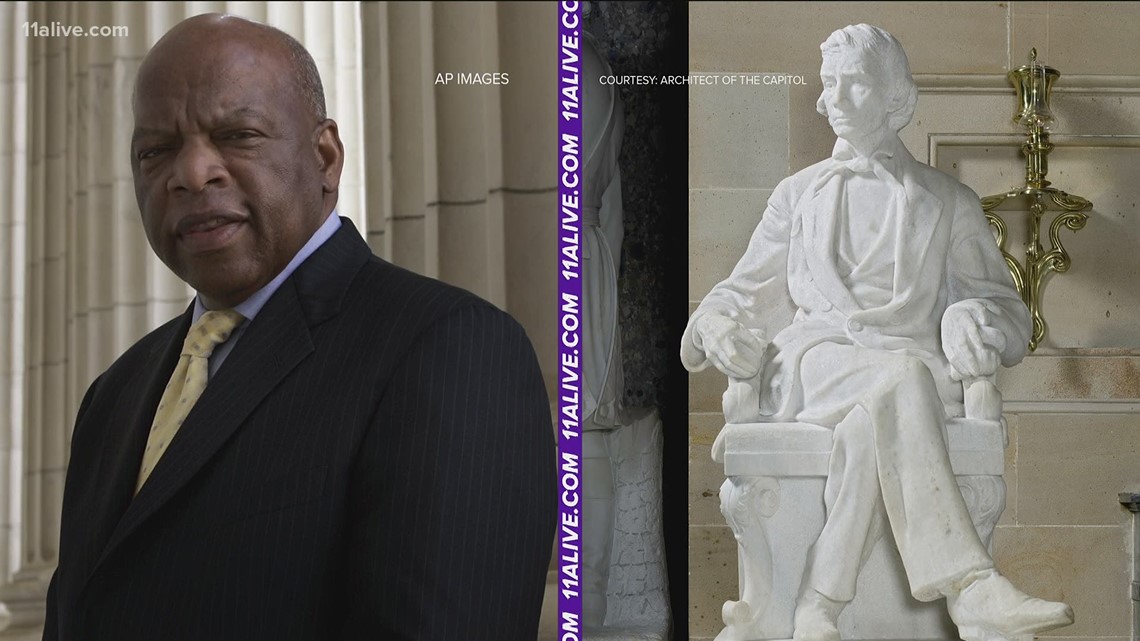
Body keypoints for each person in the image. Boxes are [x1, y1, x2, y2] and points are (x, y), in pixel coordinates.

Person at [44, 13, 555, 640]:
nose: (191, 172)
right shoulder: (113, 396)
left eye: (237, 135)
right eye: (156, 150)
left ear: (325, 158)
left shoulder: (451, 349)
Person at [681, 24, 1072, 641]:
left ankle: (820, 602)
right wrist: (716, 325)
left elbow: (1008, 312)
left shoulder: (948, 200)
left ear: (895, 98)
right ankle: (969, 587)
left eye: (853, 82)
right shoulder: (797, 195)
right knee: (905, 379)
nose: (834, 97)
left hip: (897, 382)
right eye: (828, 84)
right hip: (814, 366)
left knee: (873, 423)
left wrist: (971, 316)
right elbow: (736, 293)